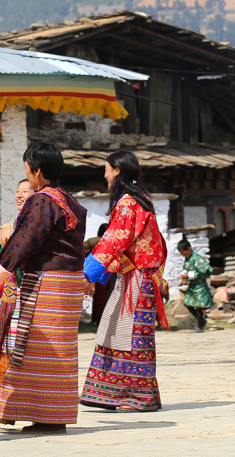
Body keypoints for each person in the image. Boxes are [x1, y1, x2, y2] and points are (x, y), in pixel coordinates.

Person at [0, 140, 87, 435]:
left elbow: (25, 240)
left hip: (47, 284)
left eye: (27, 170)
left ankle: (42, 415)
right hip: (70, 285)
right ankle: (50, 413)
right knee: (59, 350)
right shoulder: (70, 201)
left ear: (36, 171)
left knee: (36, 348)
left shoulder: (43, 200)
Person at [79, 151, 168, 412]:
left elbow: (115, 240)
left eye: (106, 169)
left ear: (117, 170)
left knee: (133, 336)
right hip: (134, 275)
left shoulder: (129, 203)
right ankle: (113, 394)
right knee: (116, 330)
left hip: (139, 278)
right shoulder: (139, 199)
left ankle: (140, 397)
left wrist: (89, 272)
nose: (104, 174)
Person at [0, 179, 32, 405]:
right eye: (17, 191)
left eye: (25, 191)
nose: (20, 195)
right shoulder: (8, 229)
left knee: (25, 344)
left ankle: (16, 392)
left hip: (32, 292)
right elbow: (2, 259)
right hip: (12, 293)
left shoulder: (36, 226)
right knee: (6, 341)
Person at [177, 239, 212, 333]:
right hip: (192, 286)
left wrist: (189, 275)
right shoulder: (188, 259)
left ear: (189, 249)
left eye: (183, 252)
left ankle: (200, 327)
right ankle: (202, 321)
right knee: (187, 303)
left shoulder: (197, 258)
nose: (183, 254)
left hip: (200, 285)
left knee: (198, 305)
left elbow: (204, 270)